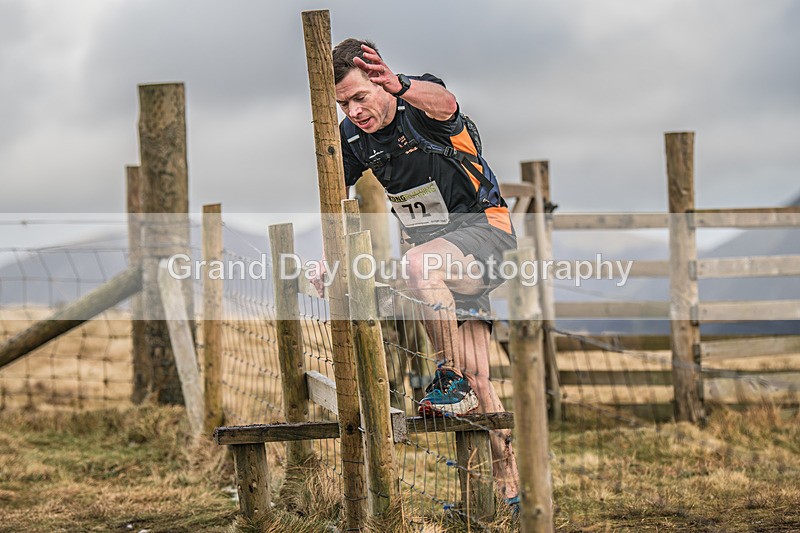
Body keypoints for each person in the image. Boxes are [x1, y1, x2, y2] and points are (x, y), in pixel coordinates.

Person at [331, 38, 520, 506]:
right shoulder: (353, 138)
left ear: (380, 82)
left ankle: (446, 373)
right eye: (343, 103)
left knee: (416, 266)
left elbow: (448, 103)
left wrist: (401, 85)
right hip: (438, 259)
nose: (354, 111)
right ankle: (503, 491)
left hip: (485, 233)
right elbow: (334, 199)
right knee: (480, 380)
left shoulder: (419, 101)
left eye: (360, 96)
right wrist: (329, 258)